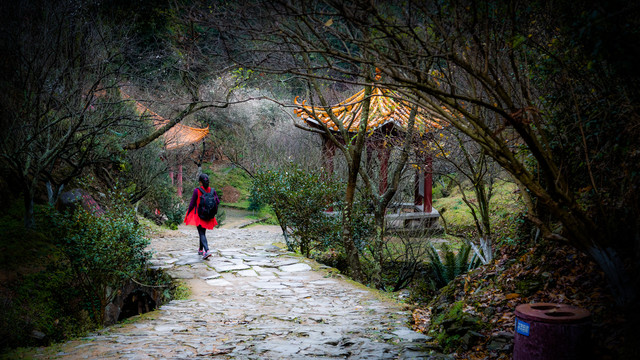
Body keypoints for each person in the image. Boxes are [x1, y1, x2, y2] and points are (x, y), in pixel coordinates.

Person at [184, 173, 218, 259]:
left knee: (201, 233)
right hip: (208, 215)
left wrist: (188, 213)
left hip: (199, 215)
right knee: (202, 232)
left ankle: (207, 251)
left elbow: (192, 203)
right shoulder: (212, 190)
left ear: (200, 182)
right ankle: (200, 250)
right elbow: (217, 201)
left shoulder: (197, 190)